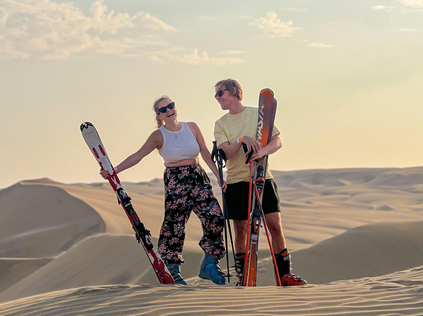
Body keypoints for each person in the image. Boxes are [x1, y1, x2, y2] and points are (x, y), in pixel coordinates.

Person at [100, 96, 226, 285]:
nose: (169, 110)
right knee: (174, 225)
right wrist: (114, 170)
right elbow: (138, 155)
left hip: (198, 177)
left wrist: (218, 175)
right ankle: (173, 271)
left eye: (171, 105)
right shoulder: (158, 135)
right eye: (163, 109)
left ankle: (209, 264)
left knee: (215, 217)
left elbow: (205, 153)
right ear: (159, 115)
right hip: (176, 180)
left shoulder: (192, 127)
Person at [213, 79, 306, 286]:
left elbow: (277, 141)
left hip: (263, 177)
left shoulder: (258, 114)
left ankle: (284, 275)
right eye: (216, 95)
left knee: (274, 225)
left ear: (235, 92)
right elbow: (226, 153)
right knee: (241, 229)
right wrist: (241, 140)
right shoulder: (221, 124)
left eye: (221, 93)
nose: (217, 98)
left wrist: (261, 152)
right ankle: (243, 276)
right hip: (237, 180)